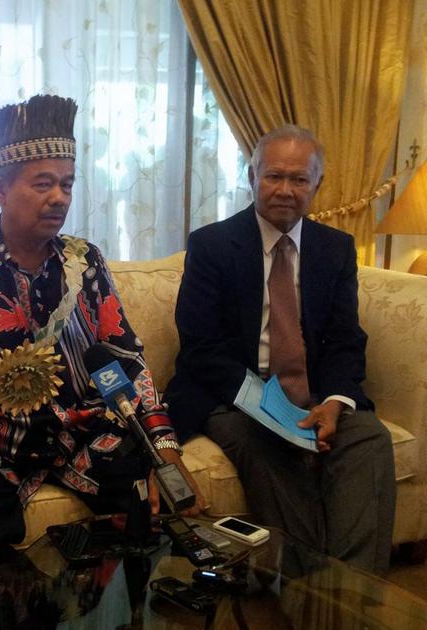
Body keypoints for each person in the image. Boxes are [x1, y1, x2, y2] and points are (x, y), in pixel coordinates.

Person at [0, 94, 205, 622]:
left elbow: (124, 360)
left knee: (148, 504)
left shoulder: (83, 264)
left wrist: (162, 446)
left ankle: (114, 614)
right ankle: (44, 612)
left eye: (67, 183)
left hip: (78, 432)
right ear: (1, 189)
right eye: (42, 183)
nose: (59, 197)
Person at [163, 124, 395, 574]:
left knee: (370, 438)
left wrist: (334, 401)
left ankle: (353, 592)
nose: (285, 190)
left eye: (299, 179)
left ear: (317, 185)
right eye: (274, 176)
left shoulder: (336, 249)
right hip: (235, 397)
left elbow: (346, 338)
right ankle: (304, 584)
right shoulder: (212, 245)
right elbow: (200, 346)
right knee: (266, 445)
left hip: (312, 398)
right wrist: (265, 406)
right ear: (252, 177)